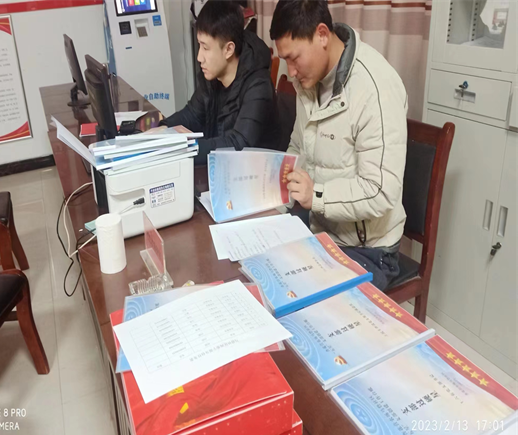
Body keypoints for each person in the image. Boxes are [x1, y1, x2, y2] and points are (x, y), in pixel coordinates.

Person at [270, 0, 408, 290]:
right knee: (260, 271)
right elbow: (298, 146)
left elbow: (381, 190)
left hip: (369, 250)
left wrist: (316, 196)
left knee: (299, 301)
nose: (290, 72)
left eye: (294, 58)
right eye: (285, 60)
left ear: (322, 35)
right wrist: (279, 198)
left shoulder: (375, 88)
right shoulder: (308, 82)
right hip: (320, 228)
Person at [161, 0, 280, 164]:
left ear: (228, 49)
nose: (199, 57)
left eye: (205, 48)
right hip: (223, 170)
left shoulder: (258, 85)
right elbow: (192, 114)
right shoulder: (213, 77)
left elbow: (238, 145)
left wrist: (184, 147)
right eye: (199, 46)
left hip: (256, 173)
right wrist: (162, 129)